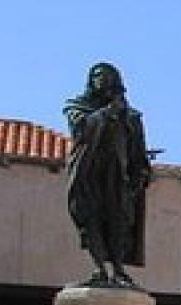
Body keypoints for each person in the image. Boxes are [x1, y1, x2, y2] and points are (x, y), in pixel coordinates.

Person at [63, 62, 150, 288]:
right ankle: (100, 267)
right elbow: (81, 129)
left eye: (105, 76)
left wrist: (141, 172)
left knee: (119, 220)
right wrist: (106, 113)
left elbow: (137, 147)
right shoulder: (78, 106)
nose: (100, 80)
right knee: (91, 217)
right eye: (96, 76)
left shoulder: (129, 116)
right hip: (89, 172)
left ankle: (118, 268)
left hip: (117, 174)